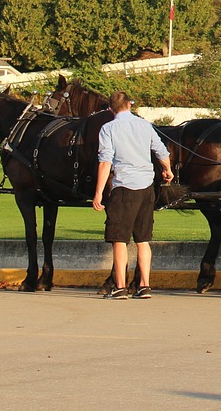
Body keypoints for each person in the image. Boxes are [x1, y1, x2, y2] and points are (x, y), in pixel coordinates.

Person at [92, 90, 173, 300]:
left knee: (119, 239)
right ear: (129, 104)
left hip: (124, 187)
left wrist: (99, 192)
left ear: (111, 109)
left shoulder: (108, 128)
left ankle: (120, 286)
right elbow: (161, 151)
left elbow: (105, 162)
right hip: (146, 187)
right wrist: (167, 169)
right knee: (143, 240)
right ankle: (144, 285)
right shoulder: (145, 125)